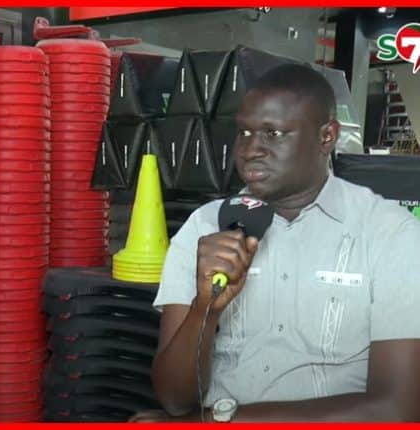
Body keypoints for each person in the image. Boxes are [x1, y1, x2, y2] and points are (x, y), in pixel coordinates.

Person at [143, 64, 420, 422]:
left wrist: (220, 421)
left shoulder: (389, 233)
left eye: (273, 133)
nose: (250, 150)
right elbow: (175, 400)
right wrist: (204, 310)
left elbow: (398, 409)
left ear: (327, 136)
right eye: (244, 132)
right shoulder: (204, 227)